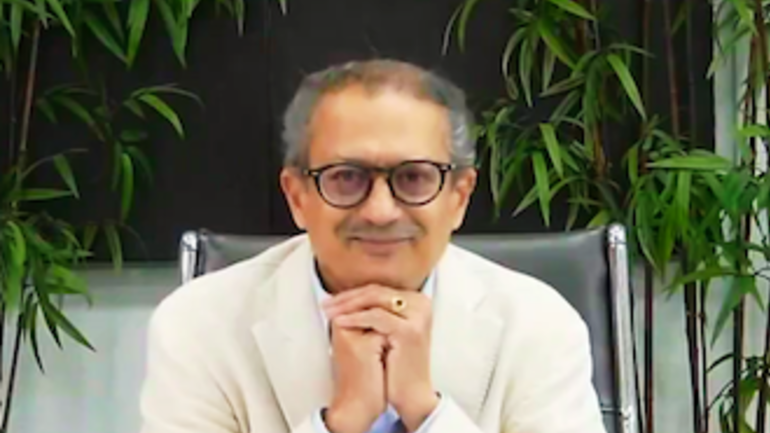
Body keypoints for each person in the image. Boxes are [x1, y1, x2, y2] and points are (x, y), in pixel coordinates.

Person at [138, 59, 606, 433]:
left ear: (459, 198)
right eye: (346, 177)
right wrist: (340, 422)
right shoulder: (199, 326)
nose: (381, 211)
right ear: (297, 198)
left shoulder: (539, 325)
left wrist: (427, 412)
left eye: (414, 177)